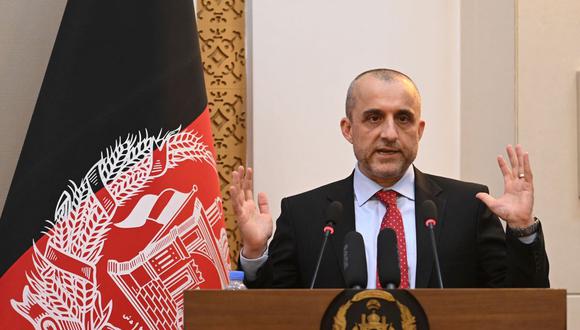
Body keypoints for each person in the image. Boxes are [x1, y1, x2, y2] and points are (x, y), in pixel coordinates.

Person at [230, 68, 549, 288]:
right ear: (348, 129)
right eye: (373, 118)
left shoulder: (469, 207)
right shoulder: (305, 215)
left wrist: (522, 229)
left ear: (419, 130)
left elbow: (519, 304)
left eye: (403, 118)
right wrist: (255, 253)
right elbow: (273, 313)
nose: (389, 134)